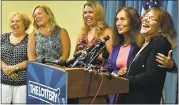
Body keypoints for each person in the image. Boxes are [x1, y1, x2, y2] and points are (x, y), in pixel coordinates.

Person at [107, 7, 177, 104]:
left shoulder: (159, 41)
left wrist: (123, 80)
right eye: (146, 16)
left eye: (152, 18)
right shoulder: (142, 44)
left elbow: (151, 77)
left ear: (161, 27)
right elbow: (138, 71)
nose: (146, 19)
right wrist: (122, 74)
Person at [0, 11, 31, 104]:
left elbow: (31, 59)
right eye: (12, 21)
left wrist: (14, 68)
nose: (14, 23)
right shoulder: (3, 37)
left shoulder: (30, 39)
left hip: (22, 82)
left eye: (18, 21)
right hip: (3, 80)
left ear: (24, 24)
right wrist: (6, 69)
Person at [73, 1, 113, 65]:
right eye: (85, 13)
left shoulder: (107, 31)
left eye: (91, 12)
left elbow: (112, 57)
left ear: (98, 14)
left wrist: (92, 55)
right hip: (79, 71)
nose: (87, 15)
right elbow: (75, 54)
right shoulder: (83, 32)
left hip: (97, 72)